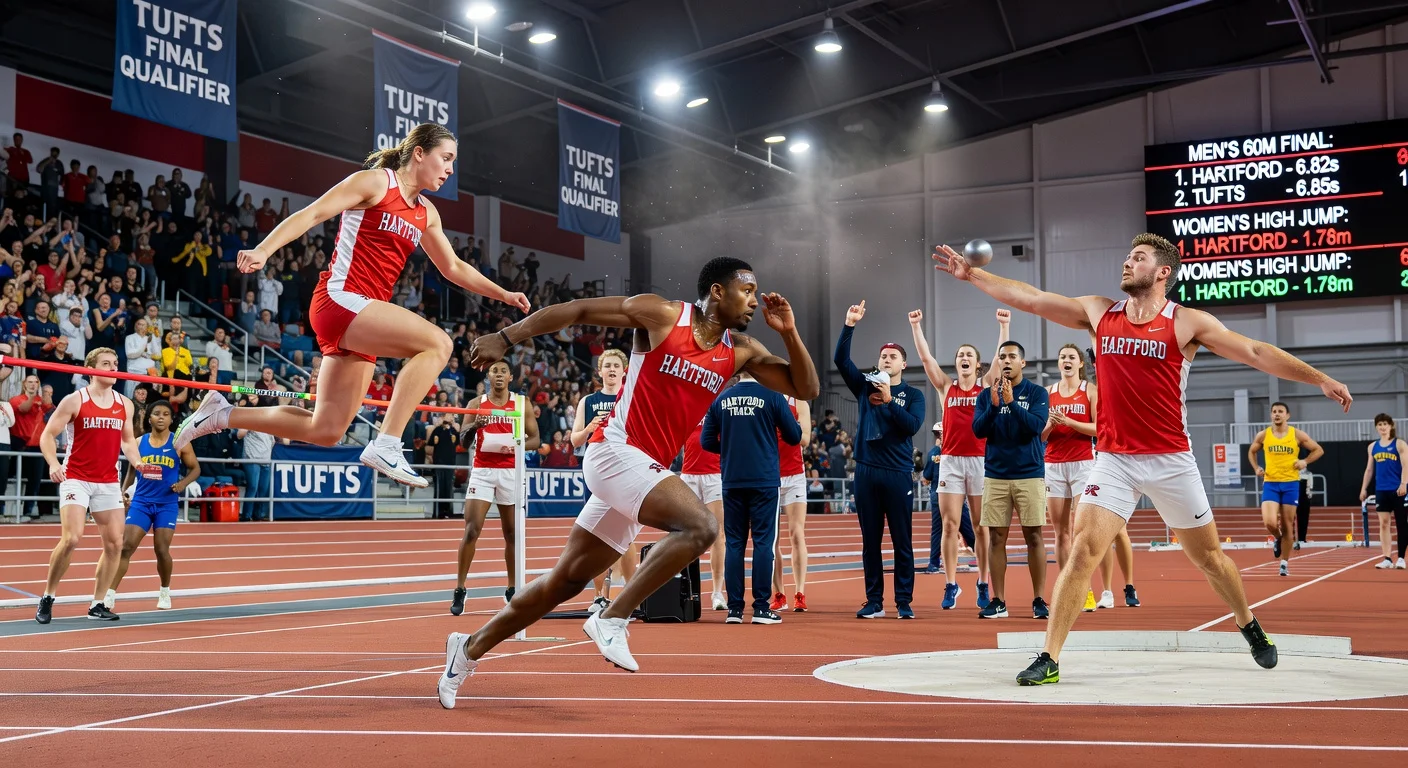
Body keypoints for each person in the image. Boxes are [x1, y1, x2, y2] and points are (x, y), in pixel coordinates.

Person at [934, 233, 1352, 685]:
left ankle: (1247, 622)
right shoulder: (1100, 312)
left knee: (1210, 557)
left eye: (1139, 258)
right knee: (1082, 551)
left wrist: (1319, 378)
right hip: (1115, 458)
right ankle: (1050, 657)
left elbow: (1254, 351)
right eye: (1128, 254)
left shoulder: (1186, 322)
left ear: (1162, 272)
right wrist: (972, 274)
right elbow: (1032, 299)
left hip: (1171, 458)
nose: (1128, 262)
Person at [438, 257, 818, 708]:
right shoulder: (661, 315)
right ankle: (614, 618)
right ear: (717, 291)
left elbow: (806, 389)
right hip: (615, 449)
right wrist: (505, 337)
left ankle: (468, 648)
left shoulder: (741, 351)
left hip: (642, 469)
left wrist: (789, 331)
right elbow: (578, 310)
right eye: (747, 291)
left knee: (566, 581)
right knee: (701, 527)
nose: (755, 301)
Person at [173, 124, 529, 488]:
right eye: (447, 158)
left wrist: (502, 294)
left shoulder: (427, 213)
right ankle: (388, 443)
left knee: (325, 429)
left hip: (361, 317)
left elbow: (453, 268)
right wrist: (264, 249)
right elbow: (312, 215)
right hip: (339, 299)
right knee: (438, 344)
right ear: (420, 153)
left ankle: (221, 414)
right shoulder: (376, 183)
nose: (451, 169)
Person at [34, 348, 145, 624]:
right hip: (76, 478)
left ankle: (97, 603)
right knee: (72, 538)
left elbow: (128, 441)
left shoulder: (125, 404)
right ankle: (48, 596)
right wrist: (53, 463)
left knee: (115, 544)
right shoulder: (75, 400)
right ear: (91, 369)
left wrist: (139, 463)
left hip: (108, 481)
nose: (113, 368)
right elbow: (47, 435)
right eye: (106, 364)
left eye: (116, 364)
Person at [908, 308, 1007, 609]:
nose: (963, 357)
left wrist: (1004, 325)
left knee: (980, 527)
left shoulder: (984, 386)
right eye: (960, 354)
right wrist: (916, 326)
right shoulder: (946, 387)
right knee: (950, 525)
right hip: (950, 460)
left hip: (978, 462)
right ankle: (951, 584)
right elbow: (926, 360)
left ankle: (982, 581)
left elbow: (1001, 362)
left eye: (969, 355)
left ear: (977, 365)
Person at [834, 301, 926, 619]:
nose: (886, 359)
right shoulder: (864, 387)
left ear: (903, 364)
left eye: (893, 356)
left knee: (902, 541)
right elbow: (840, 360)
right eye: (883, 356)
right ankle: (874, 601)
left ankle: (904, 602)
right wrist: (849, 325)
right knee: (870, 541)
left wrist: (889, 403)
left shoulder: (914, 396)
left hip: (898, 473)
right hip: (866, 471)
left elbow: (912, 426)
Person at [1042, 344, 1139, 611]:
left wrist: (1070, 422)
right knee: (1060, 532)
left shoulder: (1090, 391)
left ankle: (1107, 590)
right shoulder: (1048, 393)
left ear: (1081, 364)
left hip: (1084, 463)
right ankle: (1073, 588)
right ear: (1059, 363)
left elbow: (1099, 428)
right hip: (1054, 465)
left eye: (1071, 357)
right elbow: (1039, 435)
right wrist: (1051, 424)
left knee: (1088, 530)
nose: (1066, 361)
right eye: (1062, 357)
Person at [701, 372, 801, 624]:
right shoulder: (773, 396)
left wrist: (731, 448)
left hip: (732, 479)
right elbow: (794, 436)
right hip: (764, 480)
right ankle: (760, 608)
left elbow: (706, 441)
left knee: (734, 543)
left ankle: (734, 609)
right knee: (764, 543)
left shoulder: (720, 399)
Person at [449, 360, 540, 616]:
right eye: (494, 371)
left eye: (503, 371)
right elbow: (463, 441)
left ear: (510, 376)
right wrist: (476, 426)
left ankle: (512, 588)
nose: (498, 374)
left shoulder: (522, 404)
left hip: (511, 471)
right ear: (488, 376)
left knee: (511, 533)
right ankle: (460, 588)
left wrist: (516, 442)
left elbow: (536, 439)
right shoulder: (475, 404)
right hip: (483, 471)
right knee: (472, 530)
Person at [972, 340, 1049, 620]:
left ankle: (1039, 599)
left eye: (1012, 356)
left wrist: (1011, 403)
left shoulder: (1037, 392)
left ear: (1022, 363)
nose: (1006, 361)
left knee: (1034, 537)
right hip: (996, 475)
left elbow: (1037, 427)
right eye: (1002, 356)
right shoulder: (984, 396)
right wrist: (994, 407)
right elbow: (978, 431)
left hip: (1029, 474)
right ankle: (999, 601)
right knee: (996, 538)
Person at [109, 400, 200, 610]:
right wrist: (124, 491)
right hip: (141, 502)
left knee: (161, 549)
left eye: (166, 414)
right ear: (149, 418)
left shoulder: (179, 442)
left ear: (171, 419)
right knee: (126, 547)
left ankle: (164, 591)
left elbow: (195, 468)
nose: (161, 417)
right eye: (156, 413)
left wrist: (182, 484)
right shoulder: (140, 442)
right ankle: (110, 593)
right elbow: (132, 469)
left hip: (166, 504)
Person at [569, 349, 636, 613]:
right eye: (607, 366)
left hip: (625, 471)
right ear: (599, 371)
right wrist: (588, 429)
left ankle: (632, 596)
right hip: (596, 474)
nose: (611, 370)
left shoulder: (630, 398)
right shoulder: (588, 401)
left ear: (623, 371)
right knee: (595, 537)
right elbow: (574, 441)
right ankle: (598, 596)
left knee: (626, 536)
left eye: (615, 366)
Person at [1248, 402, 1323, 577]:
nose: (1277, 414)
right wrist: (1256, 468)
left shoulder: (1296, 434)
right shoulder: (1264, 435)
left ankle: (1284, 563)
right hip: (1271, 483)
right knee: (1270, 522)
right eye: (1274, 412)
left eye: (1280, 411)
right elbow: (1252, 451)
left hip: (1290, 483)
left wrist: (1305, 461)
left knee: (1288, 525)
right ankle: (1279, 538)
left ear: (1287, 415)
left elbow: (1318, 450)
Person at [680, 415, 726, 611]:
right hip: (689, 474)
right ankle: (686, 591)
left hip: (714, 475)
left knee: (717, 533)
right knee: (685, 534)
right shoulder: (690, 403)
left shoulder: (720, 406)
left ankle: (717, 592)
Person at [770, 394, 811, 613]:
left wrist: (783, 424)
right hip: (769, 474)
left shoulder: (799, 402)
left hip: (794, 475)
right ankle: (778, 593)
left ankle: (800, 592)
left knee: (797, 534)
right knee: (771, 539)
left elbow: (805, 439)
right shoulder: (765, 398)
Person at [922, 423, 975, 574]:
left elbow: (926, 478)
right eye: (938, 434)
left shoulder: (934, 452)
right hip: (951, 495)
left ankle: (933, 563)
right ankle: (982, 556)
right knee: (963, 528)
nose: (939, 437)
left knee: (943, 530)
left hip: (943, 495)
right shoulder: (950, 451)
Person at [1361, 414, 1408, 570]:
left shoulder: (1400, 444)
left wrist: (1404, 484)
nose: (1382, 427)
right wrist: (1364, 488)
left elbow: (1406, 466)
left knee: (1402, 524)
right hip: (1381, 490)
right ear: (1376, 427)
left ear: (1391, 426)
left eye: (1385, 424)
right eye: (1379, 424)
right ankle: (1387, 558)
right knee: (1384, 524)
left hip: (1398, 490)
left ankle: (1401, 557)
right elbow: (1369, 469)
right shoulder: (1373, 447)